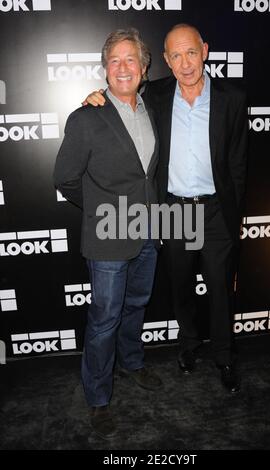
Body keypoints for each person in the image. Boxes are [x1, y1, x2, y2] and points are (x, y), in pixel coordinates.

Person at [84, 24, 248, 394]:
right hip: (173, 211)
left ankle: (224, 355)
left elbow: (238, 163)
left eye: (191, 52)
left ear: (204, 51)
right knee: (181, 288)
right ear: (165, 61)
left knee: (220, 289)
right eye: (175, 55)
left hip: (216, 211)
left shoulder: (233, 99)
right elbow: (119, 99)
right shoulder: (155, 95)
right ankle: (188, 347)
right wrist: (94, 98)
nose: (184, 63)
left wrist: (232, 214)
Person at [54, 28, 162, 440]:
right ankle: (98, 397)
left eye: (130, 59)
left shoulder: (155, 106)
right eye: (114, 60)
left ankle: (131, 364)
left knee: (137, 304)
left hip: (152, 228)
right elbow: (65, 178)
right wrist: (104, 213)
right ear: (104, 68)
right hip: (108, 235)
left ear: (144, 67)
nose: (122, 67)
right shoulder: (87, 116)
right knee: (104, 319)